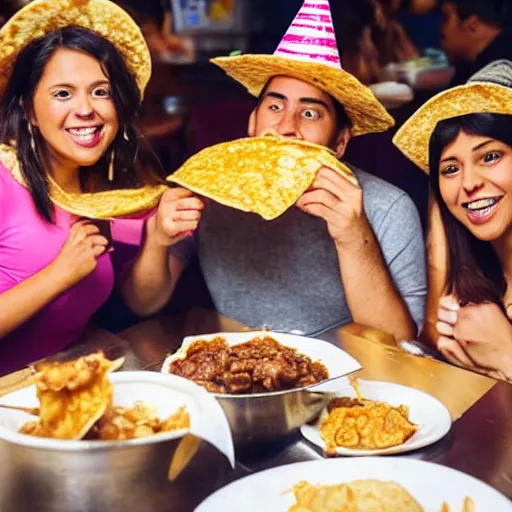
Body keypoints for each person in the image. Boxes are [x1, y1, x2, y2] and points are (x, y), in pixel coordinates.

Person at [125, 0, 427, 341]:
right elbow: (143, 303)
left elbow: (400, 343)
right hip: (235, 370)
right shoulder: (211, 190)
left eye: (310, 114)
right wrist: (157, 239)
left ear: (340, 143)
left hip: (347, 382)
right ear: (253, 123)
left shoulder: (388, 207)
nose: (286, 127)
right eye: (274, 105)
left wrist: (355, 238)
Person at [0, 0, 172, 375]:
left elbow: (143, 303)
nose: (85, 110)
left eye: (100, 91)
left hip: (66, 392)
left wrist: (158, 236)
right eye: (63, 94)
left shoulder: (104, 191)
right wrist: (60, 274)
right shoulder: (3, 181)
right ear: (29, 109)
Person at [393, 59, 512, 380]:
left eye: (490, 156)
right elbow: (430, 348)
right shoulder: (481, 268)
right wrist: (445, 211)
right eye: (451, 168)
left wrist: (506, 354)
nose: (468, 183)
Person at [440, 0, 512, 86]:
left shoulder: (498, 77)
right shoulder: (465, 68)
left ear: (473, 25)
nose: (441, 29)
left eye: (446, 19)